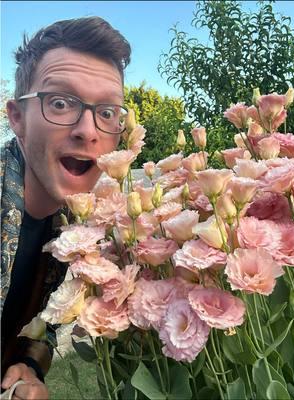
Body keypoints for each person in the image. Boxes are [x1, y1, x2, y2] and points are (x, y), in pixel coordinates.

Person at [1, 16, 131, 399]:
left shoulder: (82, 230)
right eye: (60, 102)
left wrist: (29, 365)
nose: (88, 130)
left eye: (107, 112)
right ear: (17, 118)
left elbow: (46, 321)